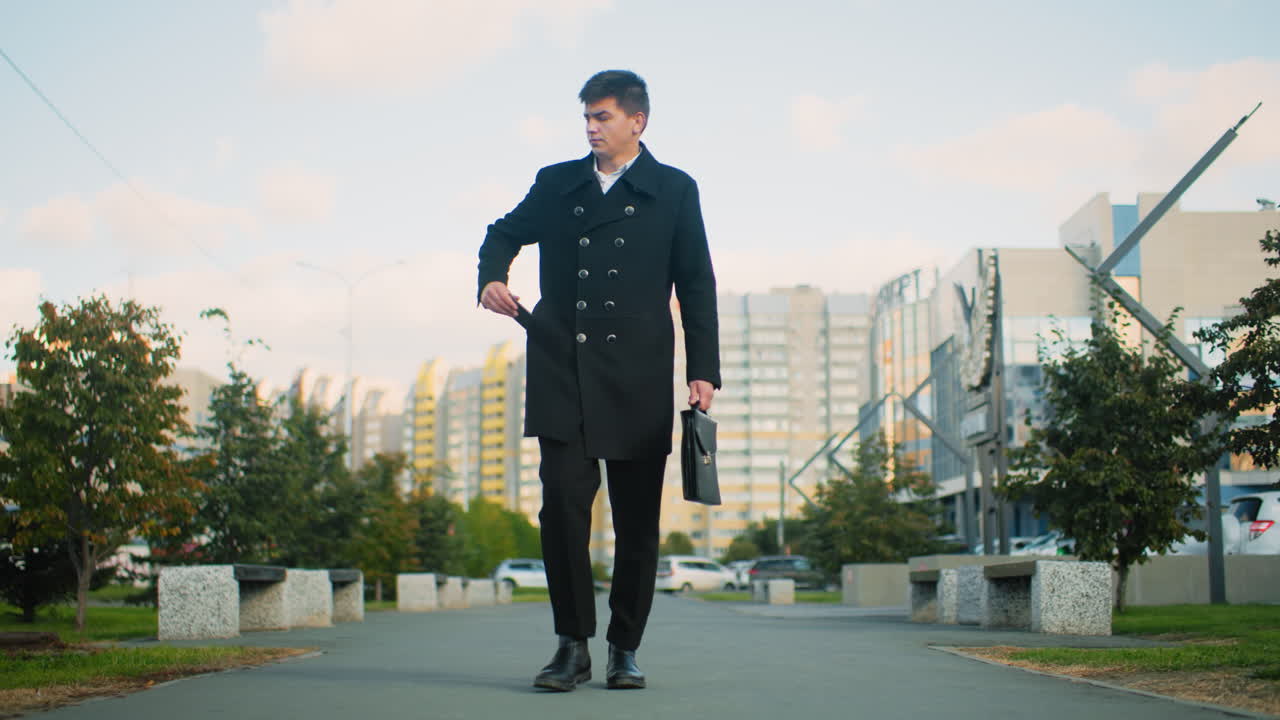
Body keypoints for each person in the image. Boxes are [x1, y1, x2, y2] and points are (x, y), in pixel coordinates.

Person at [476, 69, 720, 691]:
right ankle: (571, 645)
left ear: (637, 121)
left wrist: (703, 372)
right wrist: (492, 276)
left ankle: (624, 649)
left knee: (636, 522)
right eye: (586, 116)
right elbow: (501, 232)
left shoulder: (673, 189)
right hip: (562, 368)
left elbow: (696, 283)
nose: (590, 127)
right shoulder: (556, 183)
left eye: (602, 116)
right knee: (559, 512)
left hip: (636, 375)